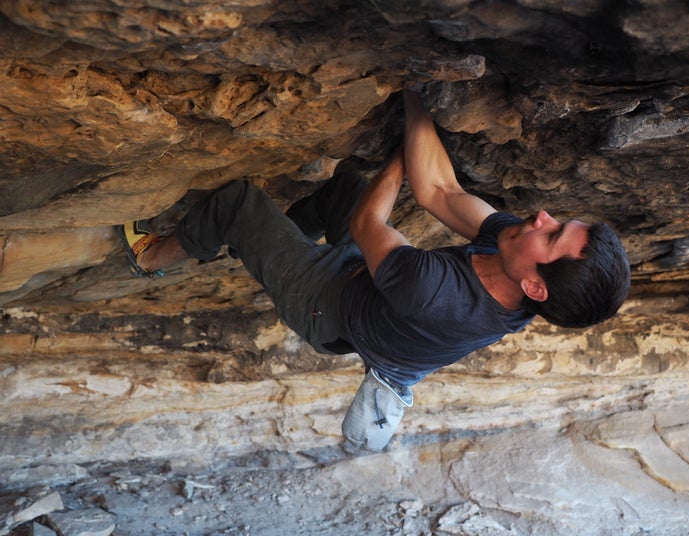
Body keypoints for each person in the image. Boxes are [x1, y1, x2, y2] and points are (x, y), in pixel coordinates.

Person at [117, 90, 631, 451]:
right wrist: (415, 95)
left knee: (237, 202)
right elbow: (441, 192)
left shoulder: (438, 295)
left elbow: (369, 222)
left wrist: (397, 160)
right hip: (366, 282)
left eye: (553, 234)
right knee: (343, 187)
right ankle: (259, 245)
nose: (543, 217)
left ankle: (151, 257)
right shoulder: (516, 250)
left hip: (326, 304)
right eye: (559, 221)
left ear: (535, 285)